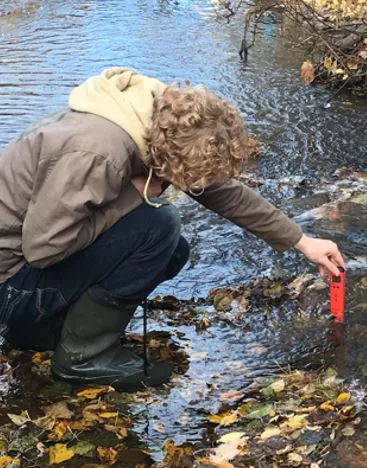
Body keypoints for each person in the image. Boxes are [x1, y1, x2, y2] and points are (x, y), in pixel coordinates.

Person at [0, 67, 345, 391]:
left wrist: (302, 241)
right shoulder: (99, 152)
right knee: (159, 223)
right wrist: (132, 199)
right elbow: (43, 249)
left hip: (25, 271)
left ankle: (50, 330)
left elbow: (221, 191)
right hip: (11, 284)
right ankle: (82, 358)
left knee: (173, 249)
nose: (193, 185)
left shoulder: (160, 123)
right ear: (169, 160)